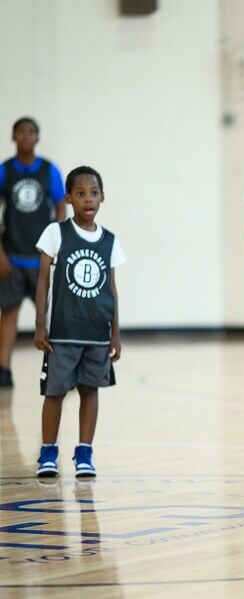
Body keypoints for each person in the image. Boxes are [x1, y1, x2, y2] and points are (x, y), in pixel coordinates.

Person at [33, 166, 125, 478]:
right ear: (69, 198)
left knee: (90, 391)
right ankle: (48, 451)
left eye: (94, 193)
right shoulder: (56, 233)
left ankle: (84, 452)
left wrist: (115, 333)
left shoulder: (110, 240)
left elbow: (111, 289)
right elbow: (43, 281)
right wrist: (40, 324)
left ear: (103, 197)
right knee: (55, 392)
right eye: (82, 193)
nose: (89, 199)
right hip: (63, 332)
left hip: (97, 334)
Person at [0, 117, 66, 388]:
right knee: (9, 312)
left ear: (37, 138)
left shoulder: (49, 170)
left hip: (41, 257)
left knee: (51, 315)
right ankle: (3, 369)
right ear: (13, 137)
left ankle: (60, 369)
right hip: (13, 256)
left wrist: (57, 244)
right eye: (21, 132)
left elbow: (61, 207)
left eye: (31, 132)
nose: (26, 136)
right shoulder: (5, 171)